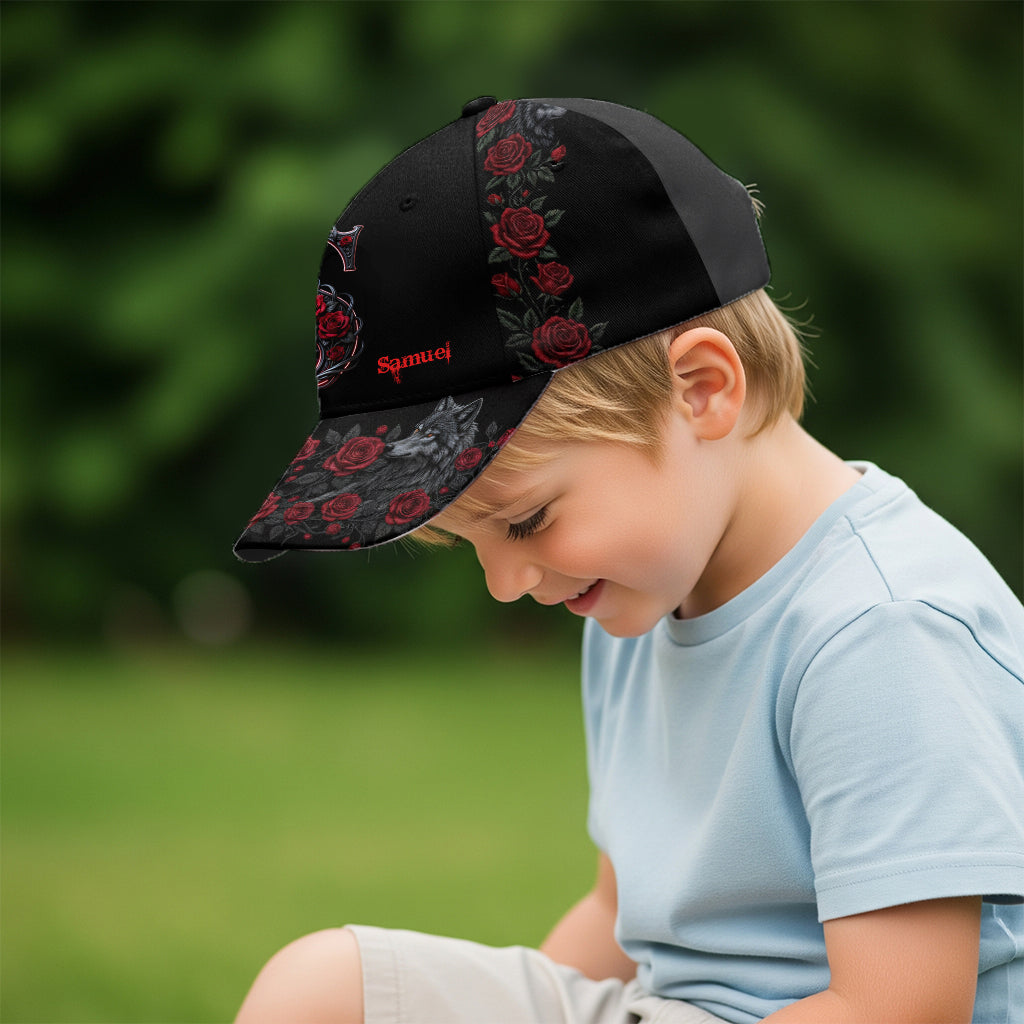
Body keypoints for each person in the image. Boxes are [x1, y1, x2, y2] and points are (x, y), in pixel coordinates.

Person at [232, 97, 1024, 1023]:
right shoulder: (634, 595)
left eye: (525, 522)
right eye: (471, 542)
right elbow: (620, 918)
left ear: (701, 390)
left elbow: (899, 1008)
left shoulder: (878, 629)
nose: (505, 583)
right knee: (322, 990)